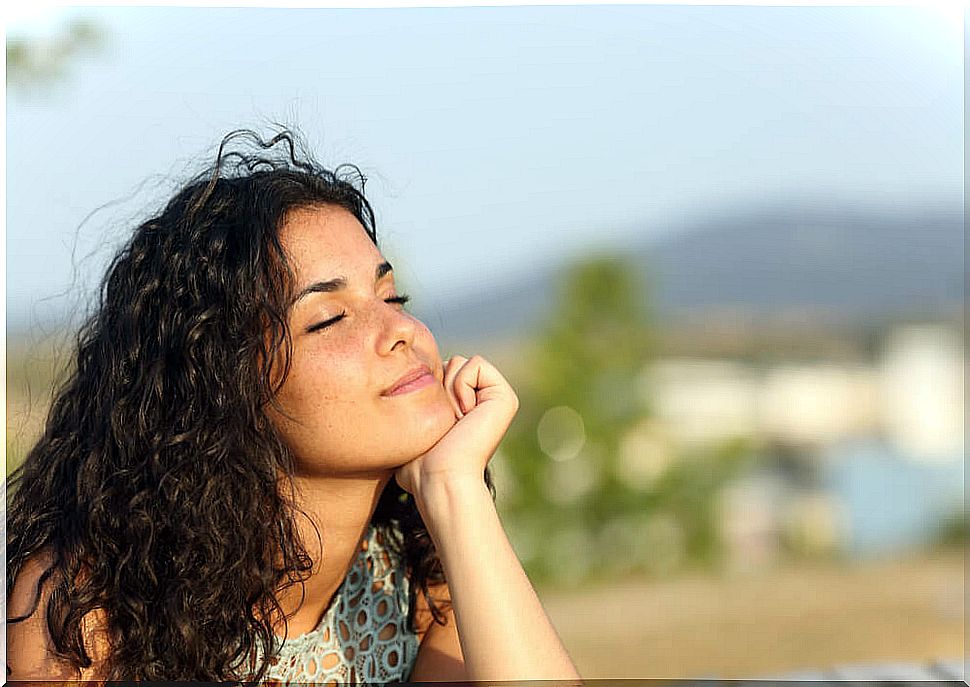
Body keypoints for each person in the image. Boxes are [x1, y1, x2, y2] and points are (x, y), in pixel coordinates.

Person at [6, 128, 582, 683]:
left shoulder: (422, 574)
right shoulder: (85, 612)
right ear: (225, 386)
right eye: (329, 318)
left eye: (391, 296)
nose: (400, 330)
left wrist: (458, 491)